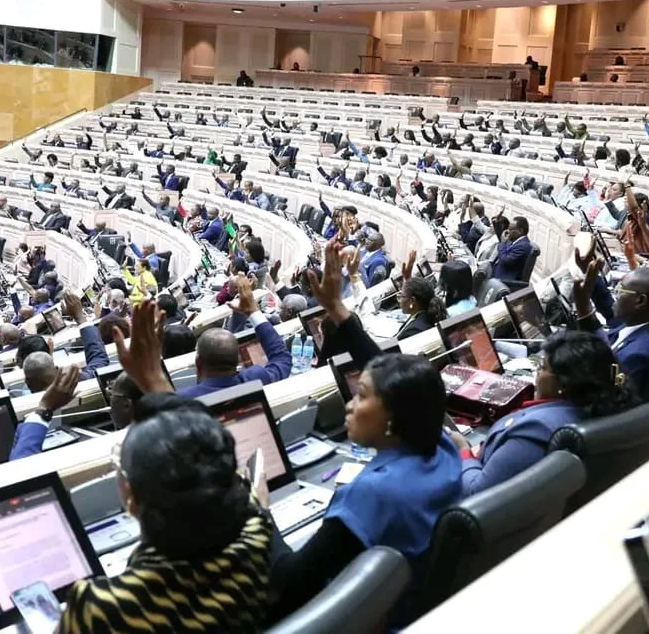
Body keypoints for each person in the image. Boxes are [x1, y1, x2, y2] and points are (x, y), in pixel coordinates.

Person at [270, 240, 461, 626]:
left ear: (393, 414)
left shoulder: (372, 494)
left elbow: (286, 585)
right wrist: (338, 310)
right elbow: (393, 372)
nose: (349, 405)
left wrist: (258, 513)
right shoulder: (441, 443)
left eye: (362, 396)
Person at [60, 303, 271, 632]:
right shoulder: (257, 537)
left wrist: (150, 375)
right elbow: (212, 456)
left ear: (129, 496)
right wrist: (154, 377)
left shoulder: (98, 608)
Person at [451, 329, 637, 496]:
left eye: (542, 368)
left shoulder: (534, 431)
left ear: (563, 384)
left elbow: (475, 491)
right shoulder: (603, 404)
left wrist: (463, 450)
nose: (537, 374)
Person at [178, 275, 292, 399]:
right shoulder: (256, 378)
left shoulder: (183, 401)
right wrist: (253, 311)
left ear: (198, 363)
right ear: (238, 360)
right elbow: (282, 358)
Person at [572, 260, 649, 397]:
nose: (615, 294)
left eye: (621, 290)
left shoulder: (634, 356)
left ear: (640, 301)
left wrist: (583, 310)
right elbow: (607, 307)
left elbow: (612, 395)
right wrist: (590, 273)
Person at [396, 274, 447, 340]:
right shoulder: (428, 314)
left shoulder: (413, 331)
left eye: (401, 296)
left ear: (412, 300)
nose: (399, 301)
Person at [493, 216, 533, 283]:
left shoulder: (523, 246)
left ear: (520, 231)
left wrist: (502, 242)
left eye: (510, 229)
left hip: (504, 281)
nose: (508, 231)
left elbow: (505, 260)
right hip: (498, 275)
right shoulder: (516, 241)